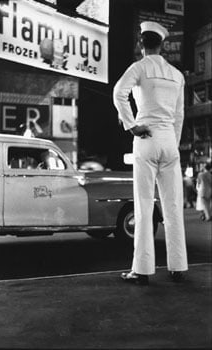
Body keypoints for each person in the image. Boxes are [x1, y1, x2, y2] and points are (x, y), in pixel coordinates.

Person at [113, 21, 188, 285]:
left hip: (146, 138)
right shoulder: (177, 75)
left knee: (144, 205)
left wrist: (132, 125)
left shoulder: (139, 67)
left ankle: (142, 270)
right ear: (162, 44)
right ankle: (178, 267)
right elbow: (179, 115)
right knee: (173, 206)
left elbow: (118, 93)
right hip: (169, 141)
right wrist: (173, 143)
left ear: (140, 43)